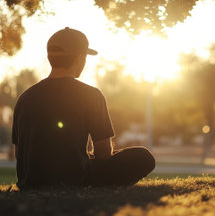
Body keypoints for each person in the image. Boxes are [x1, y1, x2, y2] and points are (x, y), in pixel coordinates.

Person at [12, 27, 155, 190]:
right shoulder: (90, 95)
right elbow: (104, 154)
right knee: (143, 157)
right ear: (79, 58)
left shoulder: (24, 98)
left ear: (50, 57)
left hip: (30, 183)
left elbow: (19, 154)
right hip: (74, 180)